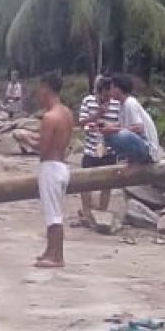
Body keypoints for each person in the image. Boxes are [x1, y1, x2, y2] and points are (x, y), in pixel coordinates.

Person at [33, 73, 74, 269]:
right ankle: (51, 251)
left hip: (50, 166)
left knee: (53, 215)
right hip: (62, 165)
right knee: (55, 212)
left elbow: (43, 148)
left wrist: (27, 139)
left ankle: (57, 256)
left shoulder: (49, 118)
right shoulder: (66, 113)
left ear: (46, 88)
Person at [75, 75, 120, 228]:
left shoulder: (117, 104)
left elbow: (121, 124)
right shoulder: (88, 101)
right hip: (90, 148)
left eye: (109, 96)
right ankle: (87, 213)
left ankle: (102, 214)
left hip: (109, 149)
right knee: (84, 184)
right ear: (97, 92)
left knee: (107, 184)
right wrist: (96, 116)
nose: (106, 99)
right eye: (103, 96)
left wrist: (108, 127)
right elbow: (81, 123)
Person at [103, 74, 160, 165]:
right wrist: (105, 127)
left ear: (118, 89)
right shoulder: (122, 105)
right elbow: (121, 125)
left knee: (121, 135)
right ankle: (130, 158)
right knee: (108, 135)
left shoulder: (130, 103)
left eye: (112, 88)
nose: (110, 91)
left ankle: (135, 157)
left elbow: (138, 128)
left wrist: (113, 129)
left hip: (147, 148)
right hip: (140, 144)